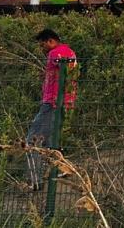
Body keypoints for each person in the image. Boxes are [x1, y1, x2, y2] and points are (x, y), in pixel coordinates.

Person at [26, 28, 77, 191]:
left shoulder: (55, 53)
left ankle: (35, 180)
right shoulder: (70, 51)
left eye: (43, 45)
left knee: (33, 139)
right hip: (64, 102)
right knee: (51, 139)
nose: (42, 49)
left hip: (52, 103)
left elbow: (64, 64)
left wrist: (59, 66)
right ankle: (64, 168)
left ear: (51, 41)